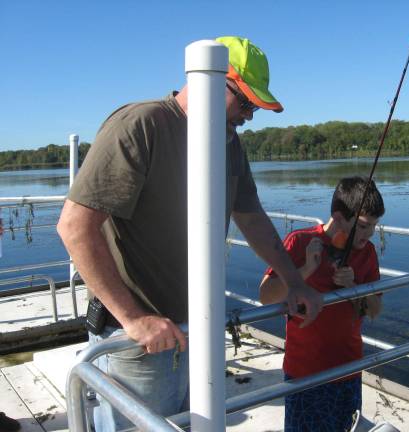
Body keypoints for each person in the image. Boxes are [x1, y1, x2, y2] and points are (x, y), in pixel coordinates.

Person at [57, 36, 323, 432]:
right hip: (139, 342)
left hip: (198, 330)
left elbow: (252, 219)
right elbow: (74, 227)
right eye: (246, 102)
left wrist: (293, 281)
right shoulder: (142, 125)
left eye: (255, 107)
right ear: (211, 80)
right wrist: (134, 319)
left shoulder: (229, 143)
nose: (249, 116)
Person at [259, 176, 385, 432]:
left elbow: (375, 310)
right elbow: (266, 295)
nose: (369, 233)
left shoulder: (368, 252)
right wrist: (305, 270)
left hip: (350, 368)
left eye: (374, 226)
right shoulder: (299, 241)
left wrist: (354, 287)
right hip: (305, 371)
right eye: (362, 225)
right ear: (338, 217)